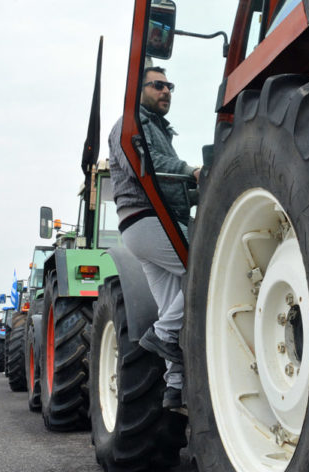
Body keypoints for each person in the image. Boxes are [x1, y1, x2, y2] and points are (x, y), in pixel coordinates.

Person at [109, 66, 199, 409]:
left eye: (169, 86)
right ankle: (160, 335)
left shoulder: (157, 129)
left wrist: (195, 190)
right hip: (148, 220)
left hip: (146, 225)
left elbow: (167, 181)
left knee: (172, 302)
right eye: (157, 85)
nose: (166, 91)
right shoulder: (128, 127)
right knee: (206, 270)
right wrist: (191, 171)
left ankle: (175, 387)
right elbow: (145, 165)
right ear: (138, 90)